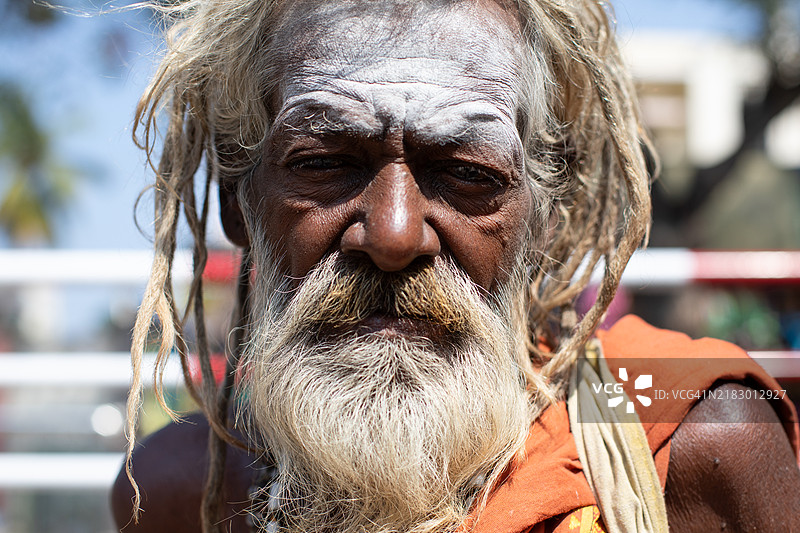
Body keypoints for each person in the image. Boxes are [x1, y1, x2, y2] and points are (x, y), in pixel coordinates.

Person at [111, 0, 800, 531]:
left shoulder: (692, 448)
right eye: (323, 164)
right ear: (240, 201)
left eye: (467, 173)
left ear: (545, 218)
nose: (393, 234)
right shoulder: (179, 491)